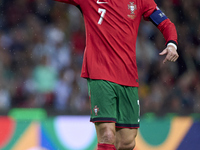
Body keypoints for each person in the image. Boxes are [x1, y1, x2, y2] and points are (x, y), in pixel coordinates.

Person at [54, 0, 179, 149]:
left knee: (127, 142)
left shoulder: (140, 1)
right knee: (107, 135)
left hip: (128, 76)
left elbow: (165, 23)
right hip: (99, 72)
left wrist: (172, 44)